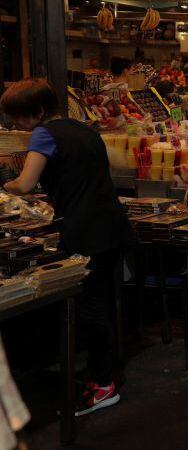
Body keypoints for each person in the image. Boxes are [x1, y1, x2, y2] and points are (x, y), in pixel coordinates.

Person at [0, 78, 133, 416]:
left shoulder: (43, 134)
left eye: (19, 117)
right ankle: (104, 373)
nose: (15, 124)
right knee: (101, 300)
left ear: (39, 111)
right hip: (113, 223)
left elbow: (25, 184)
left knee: (90, 307)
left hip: (85, 230)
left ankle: (103, 386)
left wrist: (6, 184)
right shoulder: (84, 128)